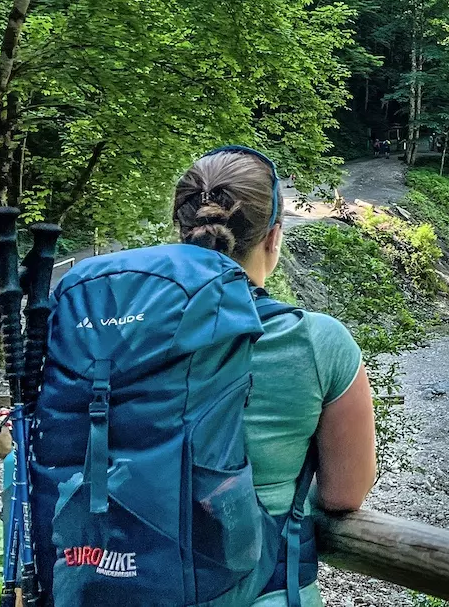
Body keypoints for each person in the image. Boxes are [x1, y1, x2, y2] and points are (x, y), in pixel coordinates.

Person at [173, 149, 378, 607]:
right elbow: (344, 494)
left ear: (182, 234)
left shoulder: (119, 330)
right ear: (274, 237)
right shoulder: (317, 340)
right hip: (258, 588)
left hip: (120, 575)